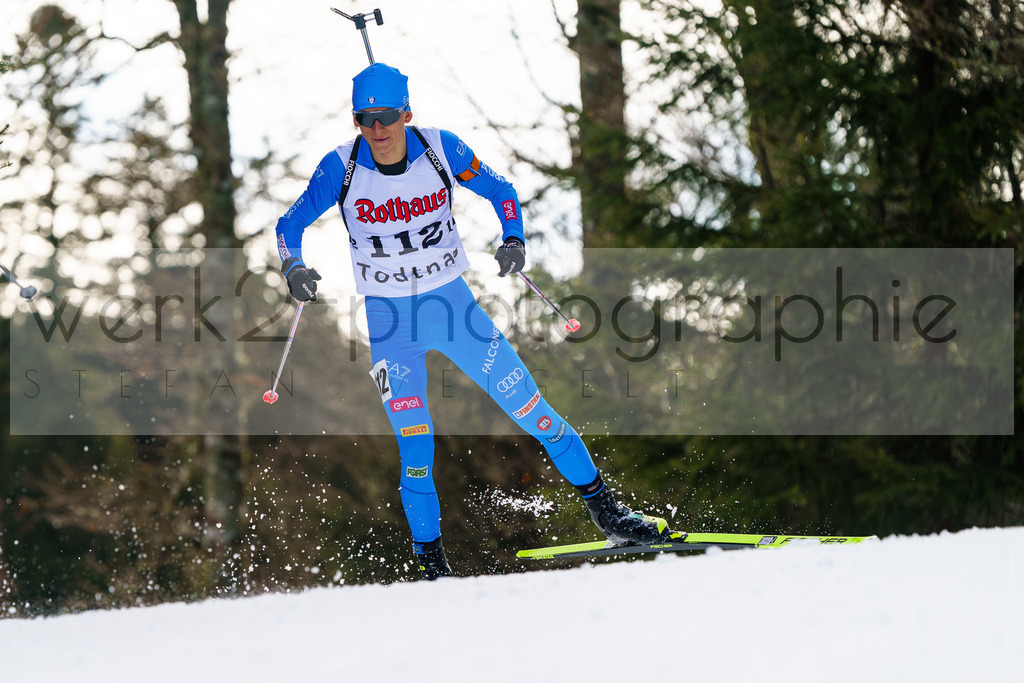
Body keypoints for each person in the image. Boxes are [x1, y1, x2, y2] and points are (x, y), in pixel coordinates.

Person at [275, 63, 672, 579]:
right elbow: (289, 224)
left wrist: (514, 238)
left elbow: (501, 188)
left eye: (387, 116)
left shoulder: (442, 149)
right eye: (364, 118)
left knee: (536, 414)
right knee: (416, 451)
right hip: (392, 326)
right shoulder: (340, 168)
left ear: (406, 113)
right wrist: (293, 266)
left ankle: (610, 515)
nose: (377, 129)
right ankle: (432, 568)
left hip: (453, 312)